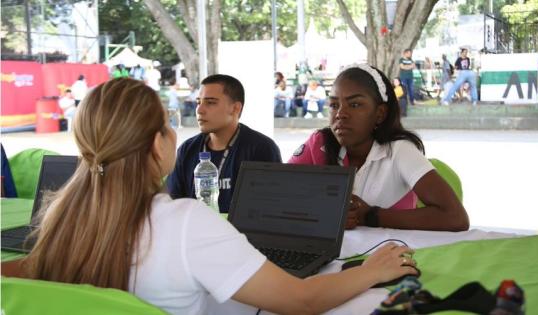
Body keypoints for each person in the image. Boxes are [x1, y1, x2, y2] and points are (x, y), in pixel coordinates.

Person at [5, 78, 417, 315]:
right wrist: (372, 270)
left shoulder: (64, 215)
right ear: (155, 144)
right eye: (169, 125)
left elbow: (25, 274)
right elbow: (302, 300)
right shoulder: (183, 223)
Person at [289, 64, 469, 232]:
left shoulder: (399, 150)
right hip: (332, 261)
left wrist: (369, 216)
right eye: (334, 105)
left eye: (355, 104)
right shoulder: (319, 144)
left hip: (389, 258)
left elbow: (455, 218)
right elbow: (277, 199)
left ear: (380, 114)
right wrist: (321, 214)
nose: (340, 114)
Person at [167, 74, 282, 213]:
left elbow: (270, 210)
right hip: (195, 232)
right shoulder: (187, 149)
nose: (199, 110)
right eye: (198, 102)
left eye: (210, 102)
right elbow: (174, 205)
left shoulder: (261, 148)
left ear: (235, 108)